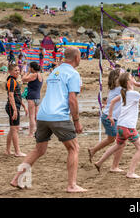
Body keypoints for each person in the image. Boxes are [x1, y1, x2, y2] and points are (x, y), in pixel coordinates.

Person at [10, 47, 86, 192]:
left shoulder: (54, 72)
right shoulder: (73, 74)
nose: (80, 59)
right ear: (76, 58)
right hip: (58, 115)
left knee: (39, 149)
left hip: (43, 114)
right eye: (80, 57)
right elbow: (72, 99)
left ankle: (17, 179)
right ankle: (71, 185)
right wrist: (76, 121)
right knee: (74, 148)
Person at [93, 72, 140, 179]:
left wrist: (110, 116)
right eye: (132, 77)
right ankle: (130, 172)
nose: (134, 78)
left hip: (120, 126)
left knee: (118, 145)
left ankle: (99, 162)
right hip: (128, 127)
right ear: (128, 82)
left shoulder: (124, 93)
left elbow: (114, 102)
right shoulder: (132, 93)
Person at [88, 69, 125, 172]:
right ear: (116, 79)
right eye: (121, 75)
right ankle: (114, 166)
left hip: (108, 117)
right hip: (110, 118)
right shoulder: (120, 88)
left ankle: (93, 150)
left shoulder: (116, 88)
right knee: (121, 142)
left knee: (111, 139)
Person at [5, 64, 27, 157]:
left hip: (15, 106)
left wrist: (23, 106)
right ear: (10, 71)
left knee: (13, 128)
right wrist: (14, 110)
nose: (17, 72)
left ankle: (7, 150)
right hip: (12, 107)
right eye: (15, 70)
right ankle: (17, 151)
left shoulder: (14, 81)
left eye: (18, 70)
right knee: (15, 129)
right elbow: (11, 96)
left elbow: (17, 96)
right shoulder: (11, 81)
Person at [21, 62, 43, 138]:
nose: (28, 68)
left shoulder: (34, 75)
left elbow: (23, 79)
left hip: (32, 98)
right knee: (36, 117)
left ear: (32, 68)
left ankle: (31, 134)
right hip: (37, 97)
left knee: (31, 117)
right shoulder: (40, 75)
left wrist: (27, 72)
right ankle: (38, 132)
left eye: (29, 67)